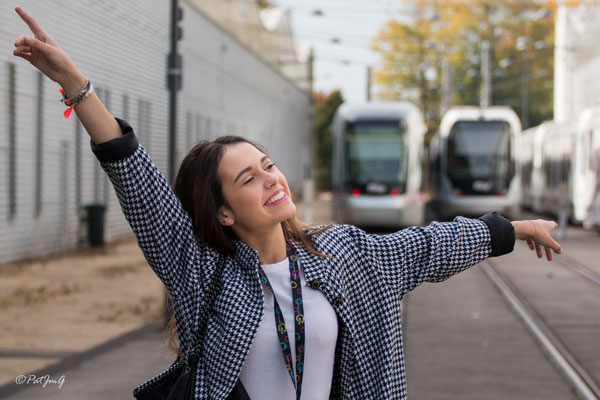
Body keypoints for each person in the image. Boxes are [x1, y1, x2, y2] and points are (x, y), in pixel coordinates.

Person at [12, 6, 563, 399]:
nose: (271, 179)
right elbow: (137, 180)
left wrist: (512, 230)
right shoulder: (203, 270)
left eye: (268, 164)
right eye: (248, 178)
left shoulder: (341, 254)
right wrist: (75, 85)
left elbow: (429, 245)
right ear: (223, 210)